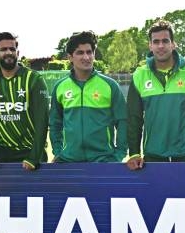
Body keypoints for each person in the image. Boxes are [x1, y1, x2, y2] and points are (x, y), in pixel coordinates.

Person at [127, 20, 185, 168]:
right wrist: (134, 153)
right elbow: (133, 118)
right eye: (156, 42)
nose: (161, 46)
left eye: (165, 41)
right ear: (150, 45)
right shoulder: (139, 75)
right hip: (153, 155)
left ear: (173, 44)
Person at [49, 31, 127, 163]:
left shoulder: (110, 86)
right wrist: (58, 151)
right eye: (80, 53)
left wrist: (118, 155)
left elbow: (123, 122)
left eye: (89, 52)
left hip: (104, 162)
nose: (86, 57)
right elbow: (55, 124)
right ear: (70, 57)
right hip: (69, 162)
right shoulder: (60, 87)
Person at [0, 32, 49, 170]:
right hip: (1, 154)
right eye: (3, 49)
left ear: (18, 52)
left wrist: (34, 158)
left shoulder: (34, 79)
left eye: (12, 49)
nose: (9, 52)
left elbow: (43, 121)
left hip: (31, 152)